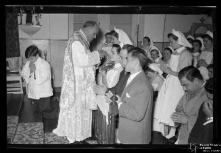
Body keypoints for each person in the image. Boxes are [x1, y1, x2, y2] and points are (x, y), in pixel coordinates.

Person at [53, 21, 104, 144]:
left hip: (81, 84)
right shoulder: (77, 41)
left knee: (81, 112)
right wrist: (97, 54)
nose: (95, 36)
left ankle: (79, 136)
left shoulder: (81, 41)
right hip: (77, 86)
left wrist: (95, 61)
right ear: (88, 29)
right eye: (94, 33)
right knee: (77, 111)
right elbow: (81, 61)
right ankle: (74, 137)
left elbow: (84, 63)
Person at [153, 29, 193, 143]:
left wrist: (169, 71)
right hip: (170, 82)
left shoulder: (186, 53)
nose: (170, 44)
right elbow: (170, 67)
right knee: (167, 106)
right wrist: (163, 66)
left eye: (171, 41)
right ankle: (167, 132)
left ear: (179, 41)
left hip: (178, 84)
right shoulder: (176, 52)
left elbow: (185, 73)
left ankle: (172, 132)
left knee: (174, 106)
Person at [115, 47, 153, 144]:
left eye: (127, 58)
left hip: (134, 138)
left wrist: (120, 104)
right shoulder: (132, 77)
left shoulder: (142, 84)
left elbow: (137, 115)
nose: (124, 61)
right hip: (127, 132)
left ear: (136, 62)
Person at [171, 66, 208, 144]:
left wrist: (187, 120)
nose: (184, 89)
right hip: (183, 137)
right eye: (182, 86)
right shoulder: (188, 92)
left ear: (196, 80)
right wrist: (177, 117)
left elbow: (208, 124)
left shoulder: (209, 94)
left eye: (186, 85)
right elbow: (179, 108)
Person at [21, 45, 53, 121]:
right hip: (33, 93)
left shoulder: (45, 64)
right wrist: (30, 72)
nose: (30, 60)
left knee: (46, 113)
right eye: (28, 59)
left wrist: (34, 70)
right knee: (35, 113)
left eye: (31, 58)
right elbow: (24, 74)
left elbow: (41, 80)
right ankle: (36, 129)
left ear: (37, 55)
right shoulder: (29, 62)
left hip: (43, 93)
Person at [188, 77, 213, 144]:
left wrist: (211, 117)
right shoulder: (205, 105)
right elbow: (198, 126)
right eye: (208, 97)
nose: (210, 102)